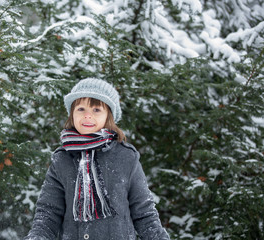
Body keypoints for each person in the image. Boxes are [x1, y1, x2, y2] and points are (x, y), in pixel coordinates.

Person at [25, 78, 170, 240]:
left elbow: (145, 214)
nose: (87, 115)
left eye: (96, 110)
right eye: (80, 109)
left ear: (109, 116)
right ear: (72, 114)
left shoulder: (126, 157)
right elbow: (48, 214)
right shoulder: (62, 159)